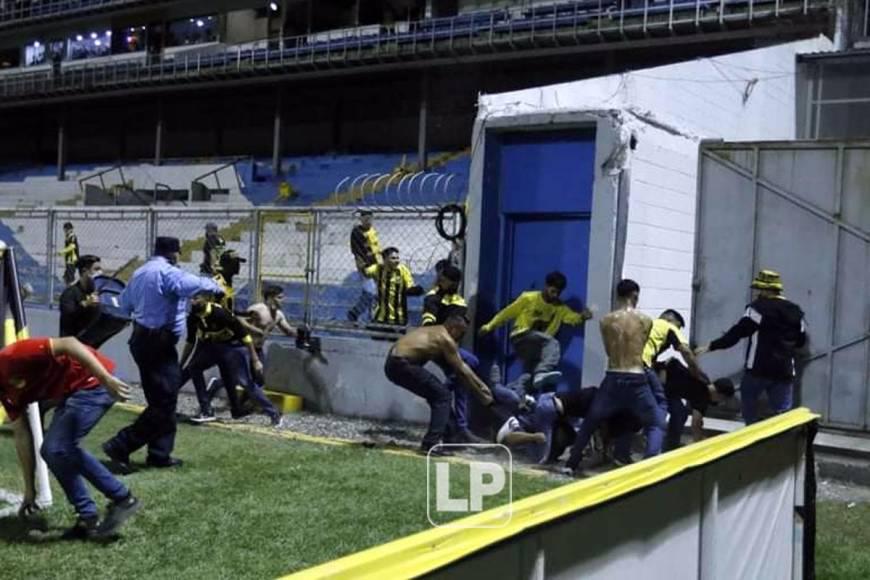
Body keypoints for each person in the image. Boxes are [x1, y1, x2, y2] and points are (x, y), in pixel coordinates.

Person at [102, 237, 221, 471]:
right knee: (164, 402)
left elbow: (124, 305)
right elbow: (194, 285)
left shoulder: (139, 273)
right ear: (174, 253)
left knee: (162, 399)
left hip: (141, 339)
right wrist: (215, 284)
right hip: (158, 342)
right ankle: (121, 444)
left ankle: (159, 453)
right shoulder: (168, 273)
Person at [1, 337, 140, 539]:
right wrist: (30, 490)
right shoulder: (5, 393)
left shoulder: (11, 357)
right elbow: (22, 435)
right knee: (53, 450)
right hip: (72, 392)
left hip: (95, 383)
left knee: (58, 448)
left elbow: (69, 343)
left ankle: (122, 499)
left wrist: (105, 378)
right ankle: (88, 519)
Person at [562, 279, 667, 476]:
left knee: (591, 420)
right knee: (655, 423)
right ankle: (650, 466)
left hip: (613, 375)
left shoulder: (606, 321)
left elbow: (610, 351)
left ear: (618, 296)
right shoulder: (646, 320)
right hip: (636, 377)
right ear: (635, 295)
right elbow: (641, 347)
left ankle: (571, 463)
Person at [695, 269, 807, 425]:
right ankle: (780, 443)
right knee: (782, 415)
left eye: (759, 290)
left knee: (749, 407)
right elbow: (801, 341)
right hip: (784, 371)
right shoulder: (796, 312)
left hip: (758, 369)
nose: (757, 294)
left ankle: (751, 436)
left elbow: (738, 333)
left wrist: (711, 346)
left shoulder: (757, 309)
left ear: (765, 290)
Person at [384, 315, 493, 454]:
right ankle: (430, 444)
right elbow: (462, 369)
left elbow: (450, 367)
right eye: (462, 333)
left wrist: (478, 386)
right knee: (443, 397)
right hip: (402, 364)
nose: (461, 337)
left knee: (438, 396)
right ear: (453, 328)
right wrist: (483, 391)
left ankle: (452, 440)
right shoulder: (445, 339)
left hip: (393, 363)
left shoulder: (431, 331)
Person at [479, 271, 593, 394]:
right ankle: (542, 372)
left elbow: (571, 318)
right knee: (552, 343)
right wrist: (489, 326)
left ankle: (514, 394)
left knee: (528, 377)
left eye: (558, 293)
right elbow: (507, 313)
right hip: (522, 336)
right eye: (553, 291)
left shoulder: (559, 308)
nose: (555, 296)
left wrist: (582, 317)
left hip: (536, 348)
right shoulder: (529, 298)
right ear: (546, 286)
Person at [181, 291, 282, 426]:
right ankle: (206, 410)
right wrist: (181, 363)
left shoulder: (220, 314)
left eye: (197, 298)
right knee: (194, 367)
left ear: (207, 300)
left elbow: (245, 336)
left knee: (245, 382)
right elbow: (190, 341)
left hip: (235, 348)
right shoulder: (193, 317)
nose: (193, 301)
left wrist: (255, 360)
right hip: (216, 347)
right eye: (192, 298)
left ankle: (274, 413)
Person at [421, 263, 478, 443]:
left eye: (443, 279)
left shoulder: (459, 302)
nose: (440, 280)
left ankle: (456, 428)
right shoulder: (432, 297)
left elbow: (456, 328)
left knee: (462, 377)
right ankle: (459, 427)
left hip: (449, 347)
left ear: (452, 282)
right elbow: (429, 323)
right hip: (434, 345)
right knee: (469, 365)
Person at [660, 359, 736, 449]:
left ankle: (671, 444)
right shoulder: (703, 397)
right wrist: (699, 444)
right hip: (662, 381)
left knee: (680, 413)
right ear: (720, 395)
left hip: (668, 374)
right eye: (723, 400)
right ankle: (669, 447)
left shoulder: (705, 380)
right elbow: (696, 423)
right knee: (678, 415)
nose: (720, 403)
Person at [366, 247, 424, 327]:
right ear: (385, 259)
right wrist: (370, 257)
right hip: (381, 316)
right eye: (393, 258)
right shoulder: (378, 268)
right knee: (377, 337)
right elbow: (365, 271)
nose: (397, 261)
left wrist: (416, 290)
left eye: (397, 258)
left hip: (399, 316)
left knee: (398, 339)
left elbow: (410, 286)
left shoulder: (403, 270)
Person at [347, 210, 381, 323]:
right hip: (366, 266)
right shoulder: (357, 232)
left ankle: (372, 317)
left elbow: (377, 248)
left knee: (375, 292)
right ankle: (355, 313)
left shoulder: (373, 231)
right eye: (365, 219)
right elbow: (356, 251)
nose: (368, 221)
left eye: (370, 218)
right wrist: (363, 266)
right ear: (361, 219)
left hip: (377, 265)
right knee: (370, 292)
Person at [58, 254, 102, 341]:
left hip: (90, 344)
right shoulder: (70, 293)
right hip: (70, 345)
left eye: (100, 269)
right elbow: (68, 317)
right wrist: (86, 304)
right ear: (85, 271)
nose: (100, 273)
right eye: (96, 269)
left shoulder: (97, 293)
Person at [59, 222, 80, 286]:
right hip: (68, 259)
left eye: (66, 230)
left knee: (70, 277)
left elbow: (72, 246)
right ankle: (68, 287)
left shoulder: (72, 236)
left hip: (72, 259)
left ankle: (71, 288)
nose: (65, 231)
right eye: (65, 230)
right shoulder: (68, 237)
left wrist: (62, 252)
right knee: (66, 276)